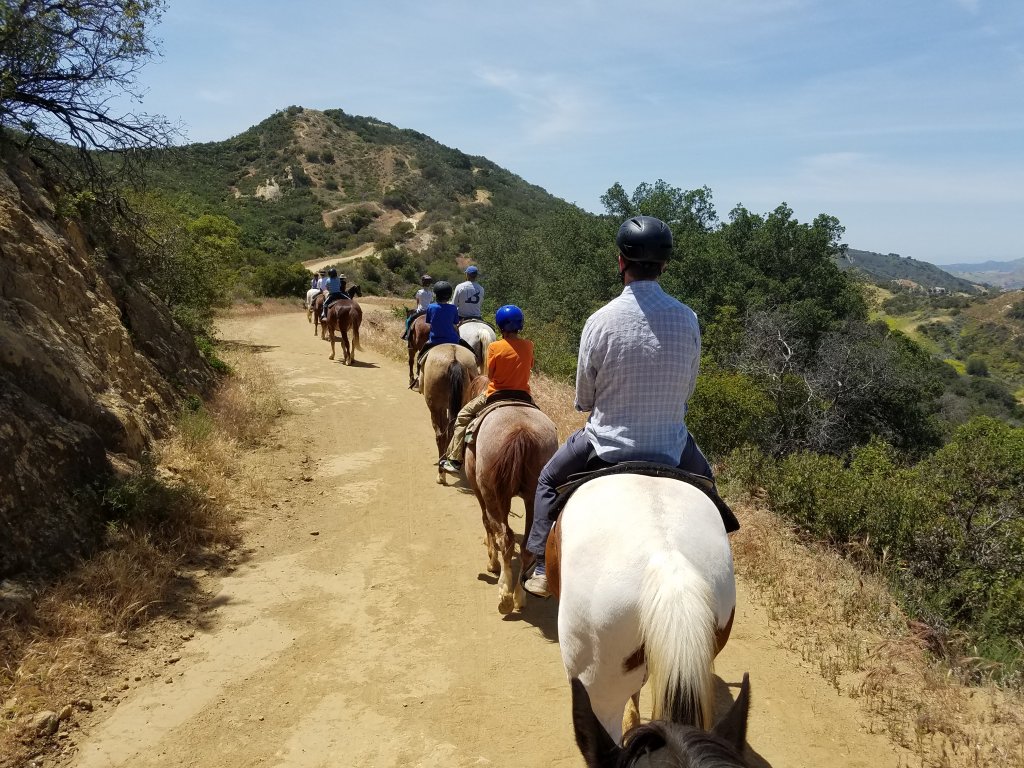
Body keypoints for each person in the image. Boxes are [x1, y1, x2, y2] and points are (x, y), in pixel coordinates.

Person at [522, 215, 714, 598]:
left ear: (621, 261)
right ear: (664, 265)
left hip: (605, 446)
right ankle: (715, 562)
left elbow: (584, 399)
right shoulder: (688, 318)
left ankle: (542, 566)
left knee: (546, 479)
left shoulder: (600, 320)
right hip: (672, 447)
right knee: (709, 489)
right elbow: (688, 388)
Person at [439, 305, 533, 473]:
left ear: (500, 325)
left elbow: (491, 375)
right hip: (524, 395)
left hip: (496, 394)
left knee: (462, 416)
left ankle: (454, 459)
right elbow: (529, 367)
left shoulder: (495, 347)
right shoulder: (529, 345)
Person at [401, 274, 434, 340]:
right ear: (429, 284)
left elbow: (418, 302)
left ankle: (407, 335)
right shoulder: (431, 293)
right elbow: (430, 302)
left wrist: (417, 308)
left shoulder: (419, 292)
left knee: (408, 321)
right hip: (428, 311)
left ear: (422, 282)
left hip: (420, 311)